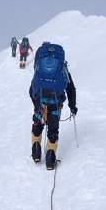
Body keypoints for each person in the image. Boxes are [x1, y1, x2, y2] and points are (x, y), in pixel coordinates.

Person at [29, 42, 77, 170]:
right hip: (56, 102)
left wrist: (36, 103)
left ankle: (36, 151)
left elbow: (31, 88)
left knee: (37, 124)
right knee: (53, 130)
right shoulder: (62, 68)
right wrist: (72, 106)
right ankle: (50, 160)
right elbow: (71, 88)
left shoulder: (39, 68)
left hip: (40, 100)